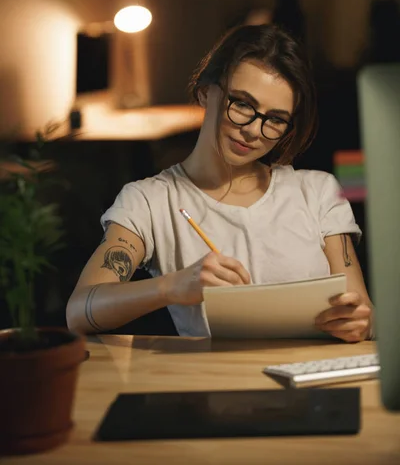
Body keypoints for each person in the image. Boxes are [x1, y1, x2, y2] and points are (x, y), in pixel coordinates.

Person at [66, 24, 373, 342]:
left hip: (317, 383)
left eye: (276, 119)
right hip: (217, 385)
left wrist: (360, 323)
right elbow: (79, 312)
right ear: (205, 91)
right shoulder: (150, 200)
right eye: (242, 104)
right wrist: (173, 286)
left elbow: (365, 315)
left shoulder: (318, 192)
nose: (254, 131)